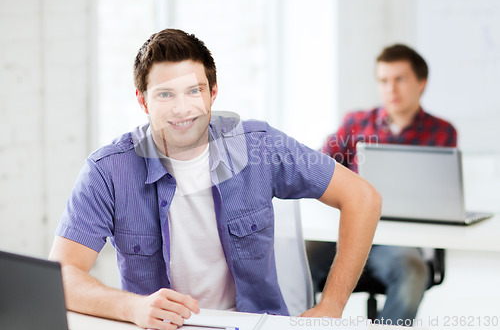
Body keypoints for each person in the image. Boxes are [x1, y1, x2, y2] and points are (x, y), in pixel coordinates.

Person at [49, 28, 381, 330]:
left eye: (194, 91)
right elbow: (63, 275)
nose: (182, 109)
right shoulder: (108, 171)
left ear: (213, 93)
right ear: (143, 100)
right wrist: (133, 307)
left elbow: (363, 198)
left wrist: (332, 304)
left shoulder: (261, 146)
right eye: (166, 94)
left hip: (254, 325)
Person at [306, 44, 457, 325]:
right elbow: (318, 166)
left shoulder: (442, 131)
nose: (391, 89)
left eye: (400, 79)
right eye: (384, 80)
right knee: (296, 260)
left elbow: (441, 197)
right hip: (345, 230)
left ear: (421, 83)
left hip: (397, 241)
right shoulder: (356, 122)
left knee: (413, 272)